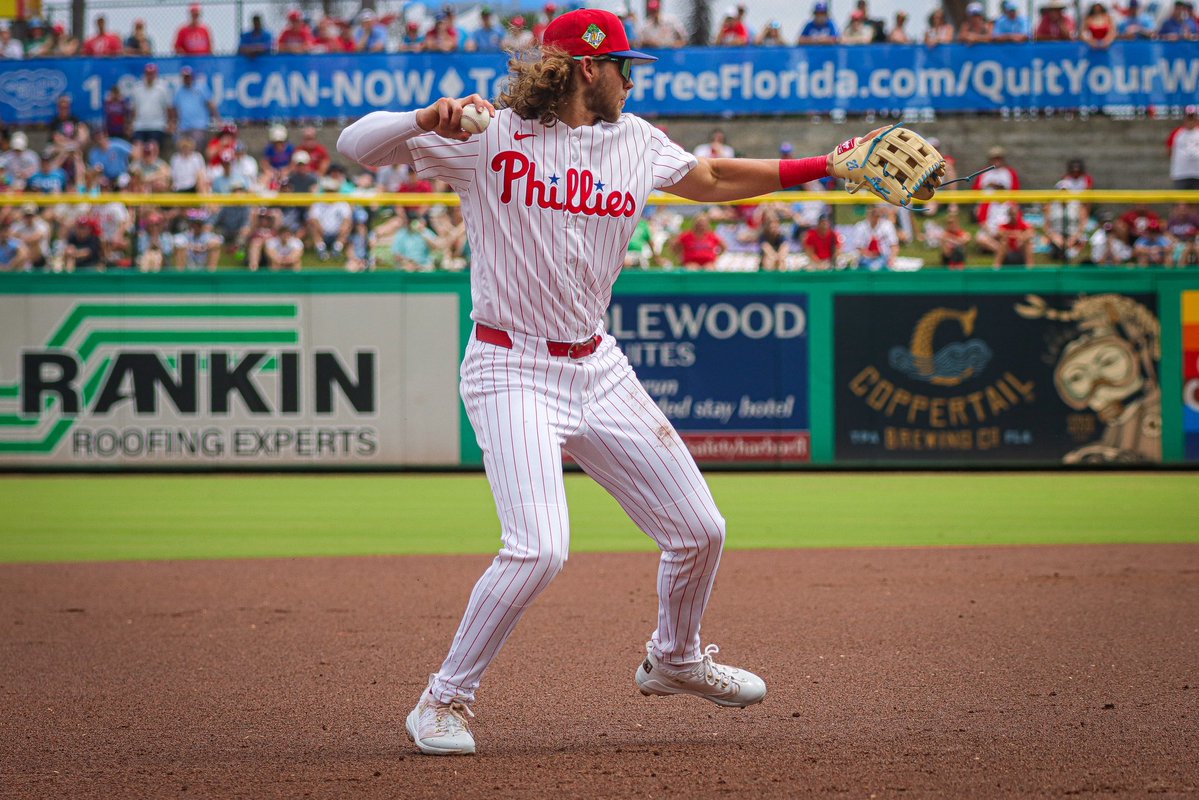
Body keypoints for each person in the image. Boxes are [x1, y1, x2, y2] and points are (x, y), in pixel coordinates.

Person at [334, 6, 881, 756]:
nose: (632, 78)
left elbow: (714, 177)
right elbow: (353, 147)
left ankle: (675, 658)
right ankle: (443, 701)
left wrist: (825, 165)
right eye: (625, 65)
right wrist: (422, 117)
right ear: (588, 67)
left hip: (597, 364)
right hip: (510, 365)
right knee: (539, 548)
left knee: (699, 531)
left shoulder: (635, 139)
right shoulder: (486, 134)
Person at [129, 64, 174, 149]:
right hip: (139, 125)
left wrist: (170, 122)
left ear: (155, 74)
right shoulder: (137, 88)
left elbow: (168, 107)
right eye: (148, 73)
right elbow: (133, 108)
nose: (150, 76)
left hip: (157, 125)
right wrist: (131, 123)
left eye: (152, 74)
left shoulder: (163, 88)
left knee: (152, 149)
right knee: (138, 149)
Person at [173, 67, 217, 147]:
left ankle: (197, 159)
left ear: (192, 77)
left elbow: (211, 104)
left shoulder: (201, 87)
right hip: (183, 125)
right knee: (178, 141)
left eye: (188, 76)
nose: (187, 79)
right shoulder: (179, 91)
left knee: (197, 142)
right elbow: (175, 109)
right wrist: (174, 123)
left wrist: (217, 119)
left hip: (199, 124)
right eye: (185, 77)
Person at [1168, 106, 1199, 189]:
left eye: (1192, 118)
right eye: (1188, 118)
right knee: (1181, 199)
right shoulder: (1177, 133)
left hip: (1197, 173)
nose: (1190, 121)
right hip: (1181, 173)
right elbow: (1170, 150)